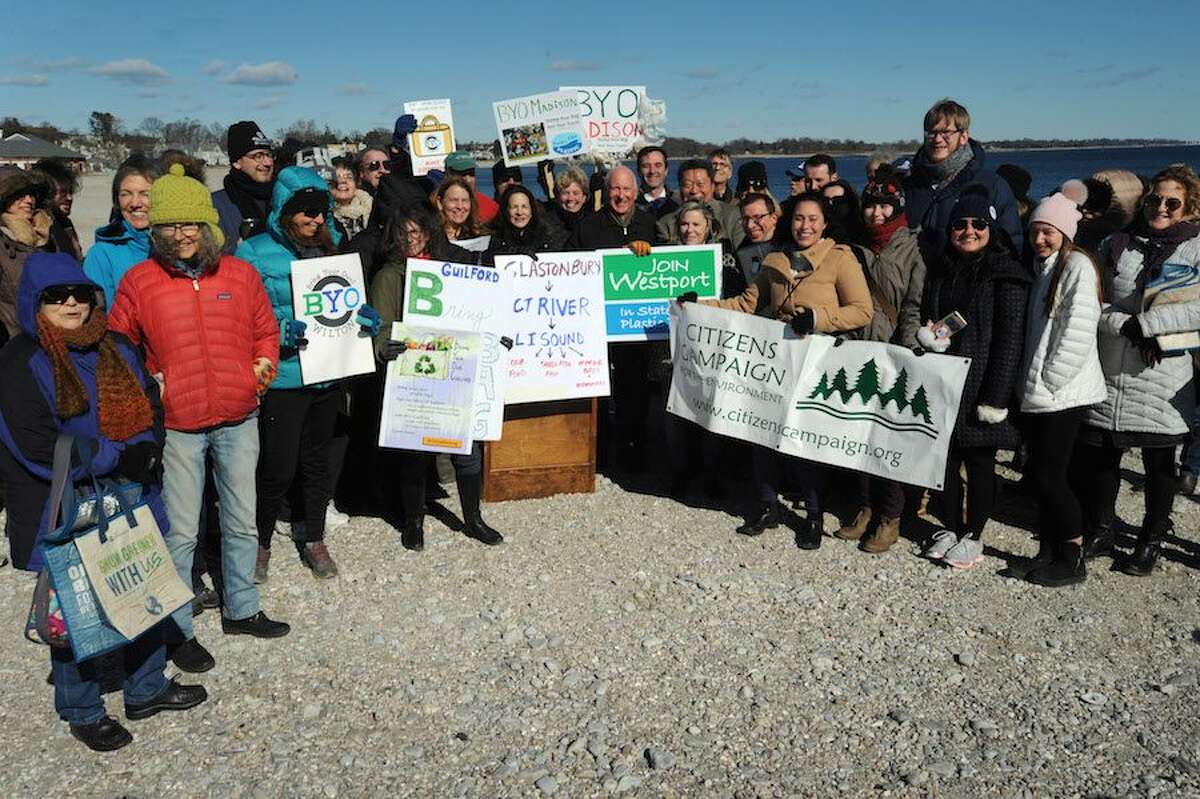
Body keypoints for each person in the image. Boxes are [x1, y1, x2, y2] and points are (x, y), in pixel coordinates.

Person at [0, 253, 208, 752]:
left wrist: (149, 445)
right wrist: (117, 454)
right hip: (70, 498)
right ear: (36, 301)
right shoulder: (19, 360)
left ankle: (146, 687)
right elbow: (32, 445)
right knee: (75, 611)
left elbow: (149, 402)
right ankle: (82, 708)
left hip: (133, 491)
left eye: (78, 293)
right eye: (55, 296)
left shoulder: (115, 344)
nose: (70, 303)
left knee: (144, 589)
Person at [109, 164, 290, 674]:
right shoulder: (140, 282)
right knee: (182, 531)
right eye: (170, 226)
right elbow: (121, 350)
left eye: (191, 224)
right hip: (179, 426)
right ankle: (178, 628)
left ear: (209, 227)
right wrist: (152, 392)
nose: (182, 234)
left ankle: (242, 607)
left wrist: (258, 374)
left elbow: (265, 332)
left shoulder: (239, 274)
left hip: (238, 416)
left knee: (240, 519)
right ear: (156, 231)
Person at [695, 192, 873, 547]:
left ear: (824, 223)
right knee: (763, 433)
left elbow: (862, 310)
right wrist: (697, 305)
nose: (804, 226)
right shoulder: (775, 259)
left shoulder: (839, 258)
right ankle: (767, 505)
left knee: (802, 439)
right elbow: (746, 303)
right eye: (799, 219)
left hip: (818, 360)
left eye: (812, 219)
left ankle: (813, 512)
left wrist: (819, 318)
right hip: (778, 358)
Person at [237, 166, 381, 581]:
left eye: (320, 211)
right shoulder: (254, 251)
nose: (314, 219)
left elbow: (345, 304)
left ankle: (314, 536)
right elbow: (239, 316)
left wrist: (363, 321)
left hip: (329, 373)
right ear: (285, 211)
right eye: (305, 211)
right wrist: (278, 332)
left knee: (319, 463)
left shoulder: (333, 251)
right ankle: (260, 542)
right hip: (284, 377)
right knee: (277, 467)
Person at [1077, 165, 1200, 576]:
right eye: (1154, 199)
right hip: (1114, 361)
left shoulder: (1196, 248)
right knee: (1104, 456)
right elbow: (1097, 298)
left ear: (1189, 207)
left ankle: (1151, 538)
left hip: (1164, 370)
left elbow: (1196, 309)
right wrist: (1123, 324)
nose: (1161, 208)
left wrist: (1148, 325)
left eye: (1172, 202)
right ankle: (1103, 526)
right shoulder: (1120, 243)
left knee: (1160, 462)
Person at [905, 186, 1030, 570]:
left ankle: (974, 535)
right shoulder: (942, 269)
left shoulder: (1006, 274)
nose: (969, 231)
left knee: (980, 465)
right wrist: (929, 338)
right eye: (961, 224)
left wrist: (996, 398)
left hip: (982, 386)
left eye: (978, 224)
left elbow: (1011, 339)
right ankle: (950, 526)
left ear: (992, 228)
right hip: (946, 381)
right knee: (944, 462)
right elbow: (933, 315)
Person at [368, 206, 505, 550]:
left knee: (467, 450)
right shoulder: (389, 275)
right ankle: (413, 522)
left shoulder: (452, 272)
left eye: (416, 232)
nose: (409, 240)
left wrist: (495, 339)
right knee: (415, 453)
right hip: (414, 373)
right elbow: (380, 327)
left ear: (428, 234)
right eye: (403, 233)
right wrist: (386, 346)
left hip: (456, 370)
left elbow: (477, 313)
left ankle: (472, 518)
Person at [1016, 191, 1105, 586]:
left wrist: (1051, 380)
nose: (1040, 239)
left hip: (1061, 393)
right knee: (1042, 475)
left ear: (1065, 232)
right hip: (1041, 392)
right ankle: (1049, 550)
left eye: (1048, 231)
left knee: (1054, 477)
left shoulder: (1077, 266)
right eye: (1035, 231)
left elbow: (1078, 331)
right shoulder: (1045, 268)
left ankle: (1072, 556)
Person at [834, 177, 926, 554]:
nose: (877, 212)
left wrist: (905, 350)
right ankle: (865, 505)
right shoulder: (854, 247)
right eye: (870, 205)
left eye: (885, 205)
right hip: (858, 349)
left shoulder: (914, 248)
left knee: (889, 438)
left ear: (898, 208)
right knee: (858, 436)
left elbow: (913, 305)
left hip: (894, 352)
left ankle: (891, 516)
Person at [567, 166, 658, 470]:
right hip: (598, 324)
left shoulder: (649, 223)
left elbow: (667, 269)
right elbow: (571, 265)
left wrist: (651, 253)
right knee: (599, 390)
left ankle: (635, 450)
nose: (621, 196)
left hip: (636, 326)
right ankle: (601, 453)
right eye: (615, 190)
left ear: (635, 192)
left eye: (627, 190)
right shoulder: (588, 227)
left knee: (635, 389)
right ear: (607, 192)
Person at [904, 99, 1023, 260]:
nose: (937, 139)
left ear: (963, 136)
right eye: (931, 132)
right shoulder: (910, 184)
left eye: (946, 133)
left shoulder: (992, 185)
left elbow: (1011, 245)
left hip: (967, 282)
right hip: (916, 283)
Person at [82, 158, 157, 305]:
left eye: (145, 194)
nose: (135, 203)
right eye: (126, 194)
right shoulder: (101, 255)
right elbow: (99, 318)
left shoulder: (179, 248)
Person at [0, 165, 55, 339]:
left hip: (54, 335)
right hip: (11, 339)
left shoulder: (48, 233)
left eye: (32, 194)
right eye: (19, 195)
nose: (29, 200)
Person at [212, 120, 275, 253]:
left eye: (269, 155)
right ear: (236, 162)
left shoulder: (282, 197)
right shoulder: (218, 205)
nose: (268, 162)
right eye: (257, 156)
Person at [657, 159, 744, 248]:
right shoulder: (666, 224)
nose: (694, 190)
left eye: (700, 184)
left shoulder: (732, 216)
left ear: (712, 185)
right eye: (688, 185)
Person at [484, 184, 566, 262]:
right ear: (506, 211)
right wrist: (513, 252)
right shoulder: (492, 236)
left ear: (531, 211)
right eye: (514, 207)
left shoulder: (547, 234)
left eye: (524, 207)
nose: (519, 212)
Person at [731, 193, 782, 297]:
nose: (750, 225)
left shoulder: (789, 247)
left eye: (757, 218)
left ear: (773, 218)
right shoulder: (742, 253)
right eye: (745, 219)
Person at [31, 158, 82, 260]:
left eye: (70, 192)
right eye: (63, 193)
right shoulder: (39, 226)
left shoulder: (64, 222)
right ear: (45, 192)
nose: (69, 198)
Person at [444, 151, 499, 223]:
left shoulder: (491, 207)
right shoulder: (434, 206)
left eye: (471, 174)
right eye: (462, 174)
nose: (468, 180)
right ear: (448, 174)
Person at [434, 176, 487, 248]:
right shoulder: (429, 236)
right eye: (454, 200)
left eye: (464, 200)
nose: (460, 206)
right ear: (440, 203)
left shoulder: (480, 235)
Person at [329, 155, 372, 239]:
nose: (343, 181)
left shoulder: (371, 208)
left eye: (349, 177)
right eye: (336, 177)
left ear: (356, 184)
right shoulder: (325, 216)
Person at [544, 165, 591, 241]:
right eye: (565, 193)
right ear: (557, 196)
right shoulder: (546, 223)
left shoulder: (592, 223)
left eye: (576, 193)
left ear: (584, 197)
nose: (570, 198)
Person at [635, 145, 678, 219]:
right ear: (638, 171)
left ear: (666, 170)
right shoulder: (630, 205)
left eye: (658, 165)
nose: (652, 171)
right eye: (646, 166)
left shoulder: (678, 204)